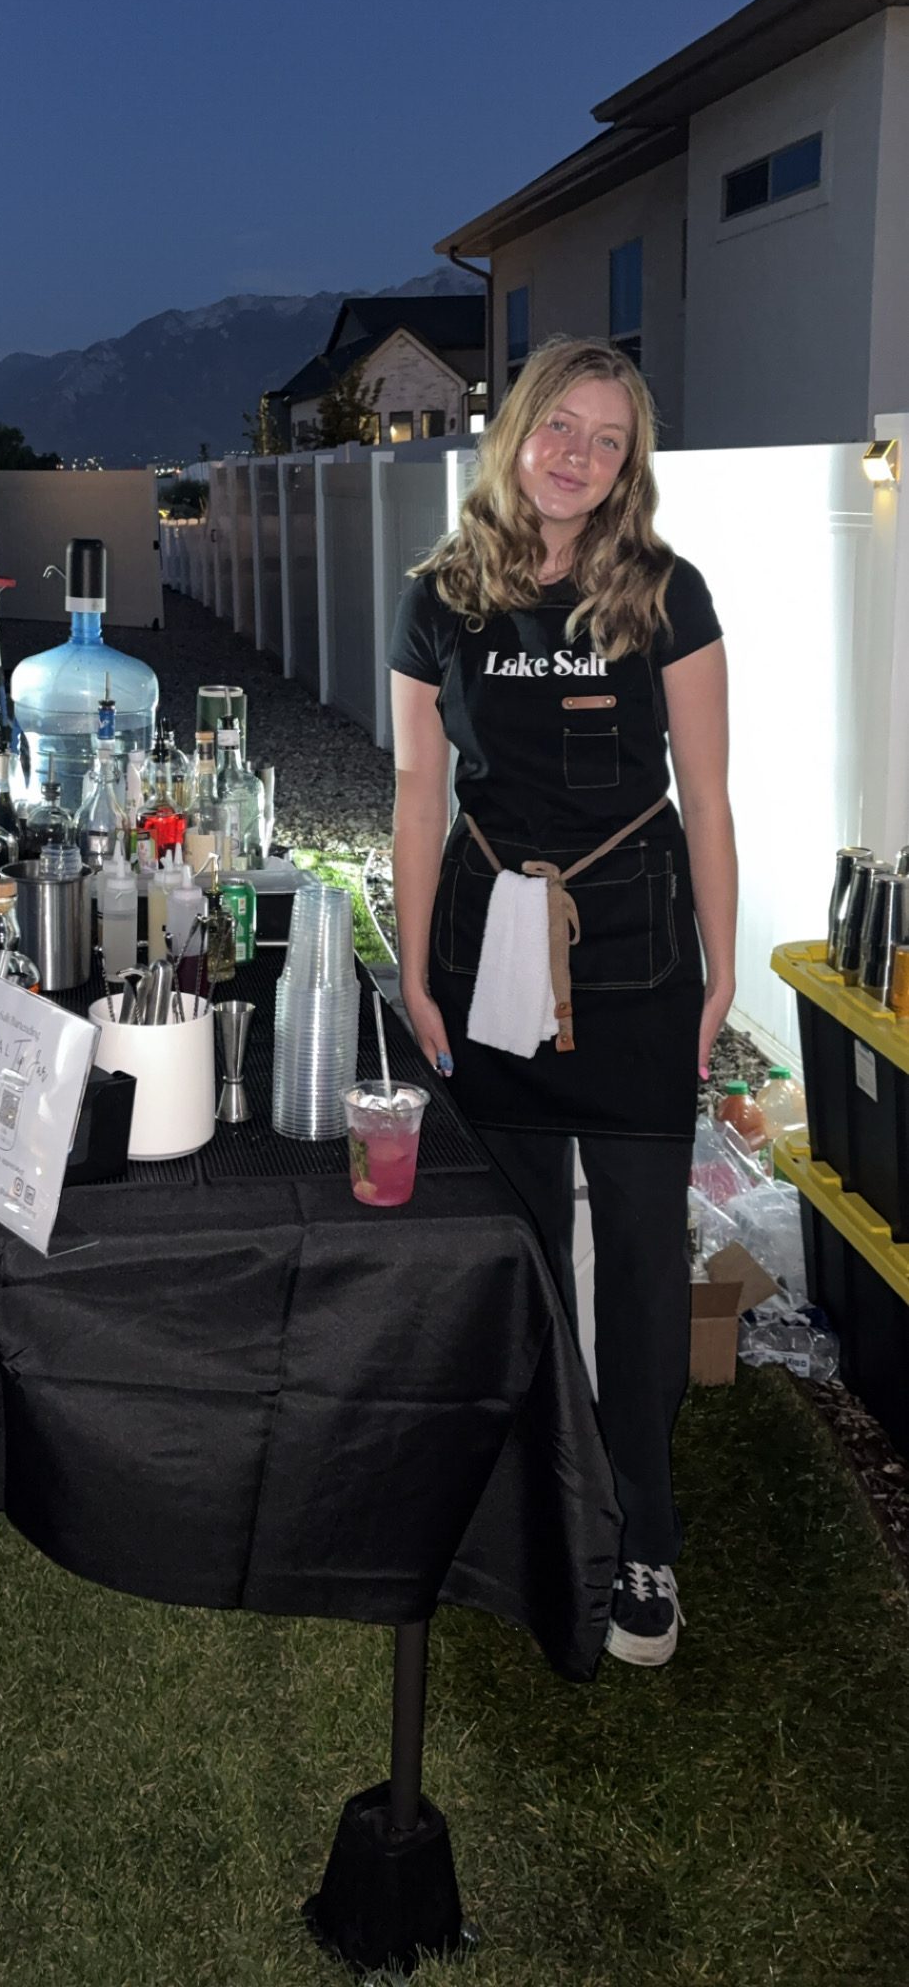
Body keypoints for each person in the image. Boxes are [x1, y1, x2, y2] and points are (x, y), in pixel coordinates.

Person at [388, 336, 736, 1668]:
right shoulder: (438, 598)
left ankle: (642, 1532)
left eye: (606, 439)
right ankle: (529, 1496)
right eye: (559, 428)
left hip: (637, 954)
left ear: (626, 464)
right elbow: (422, 798)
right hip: (492, 953)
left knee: (643, 1262)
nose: (577, 456)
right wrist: (414, 969)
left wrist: (713, 971)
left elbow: (702, 797)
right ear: (513, 431)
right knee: (518, 1246)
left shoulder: (664, 592)